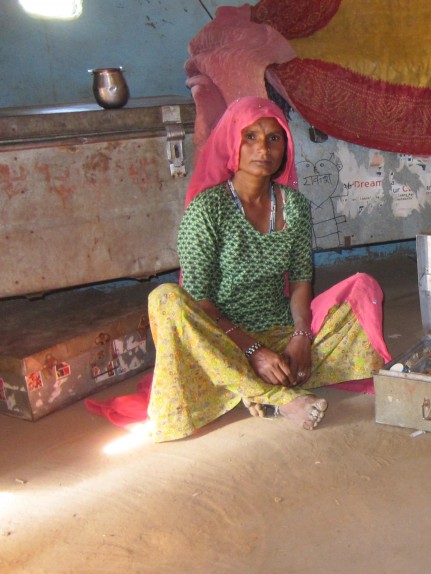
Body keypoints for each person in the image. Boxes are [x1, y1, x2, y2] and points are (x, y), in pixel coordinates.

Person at [145, 96, 390, 442]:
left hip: (278, 333)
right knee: (165, 299)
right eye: (251, 137)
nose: (263, 148)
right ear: (233, 143)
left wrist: (301, 337)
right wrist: (252, 352)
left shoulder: (294, 206)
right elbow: (201, 303)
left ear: (285, 148)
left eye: (273, 138)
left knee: (364, 287)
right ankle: (276, 395)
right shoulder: (207, 210)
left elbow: (303, 279)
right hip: (219, 338)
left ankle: (247, 383)